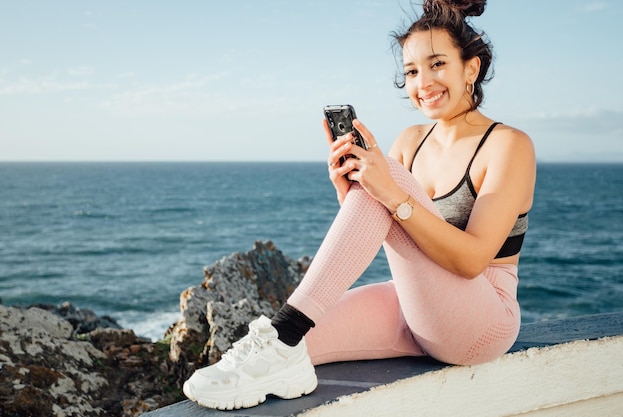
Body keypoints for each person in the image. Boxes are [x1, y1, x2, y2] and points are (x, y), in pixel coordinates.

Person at [183, 0, 536, 410]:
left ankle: (281, 333)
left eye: (437, 64)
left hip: (482, 319)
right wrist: (349, 190)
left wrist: (388, 189)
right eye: (411, 71)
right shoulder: (411, 140)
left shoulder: (508, 145)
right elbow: (380, 226)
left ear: (470, 68)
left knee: (384, 173)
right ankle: (272, 351)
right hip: (417, 305)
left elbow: (474, 260)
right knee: (296, 343)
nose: (423, 82)